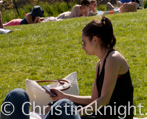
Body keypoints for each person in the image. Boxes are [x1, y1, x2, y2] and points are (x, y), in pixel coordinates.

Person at [2, 17, 134, 119]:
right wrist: (65, 96)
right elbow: (94, 99)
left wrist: (77, 113)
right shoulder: (100, 63)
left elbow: (104, 100)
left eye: (84, 42)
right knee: (55, 106)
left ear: (95, 40)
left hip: (115, 114)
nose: (83, 47)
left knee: (64, 109)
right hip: (102, 111)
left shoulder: (113, 59)